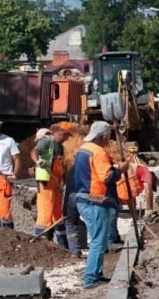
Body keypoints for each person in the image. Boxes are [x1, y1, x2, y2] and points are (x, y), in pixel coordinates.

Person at [74, 121, 129, 289]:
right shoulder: (98, 152)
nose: (109, 140)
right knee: (98, 241)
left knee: (98, 239)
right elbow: (106, 177)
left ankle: (96, 274)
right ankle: (91, 278)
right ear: (103, 136)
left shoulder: (83, 150)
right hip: (95, 201)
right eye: (108, 137)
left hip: (84, 199)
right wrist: (120, 170)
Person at [30, 124, 70, 247]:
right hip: (46, 183)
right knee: (45, 215)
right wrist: (38, 161)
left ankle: (63, 246)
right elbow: (34, 151)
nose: (67, 138)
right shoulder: (47, 141)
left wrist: (62, 182)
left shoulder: (60, 147)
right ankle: (40, 246)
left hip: (56, 184)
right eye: (66, 135)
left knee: (57, 216)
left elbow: (61, 167)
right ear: (59, 133)